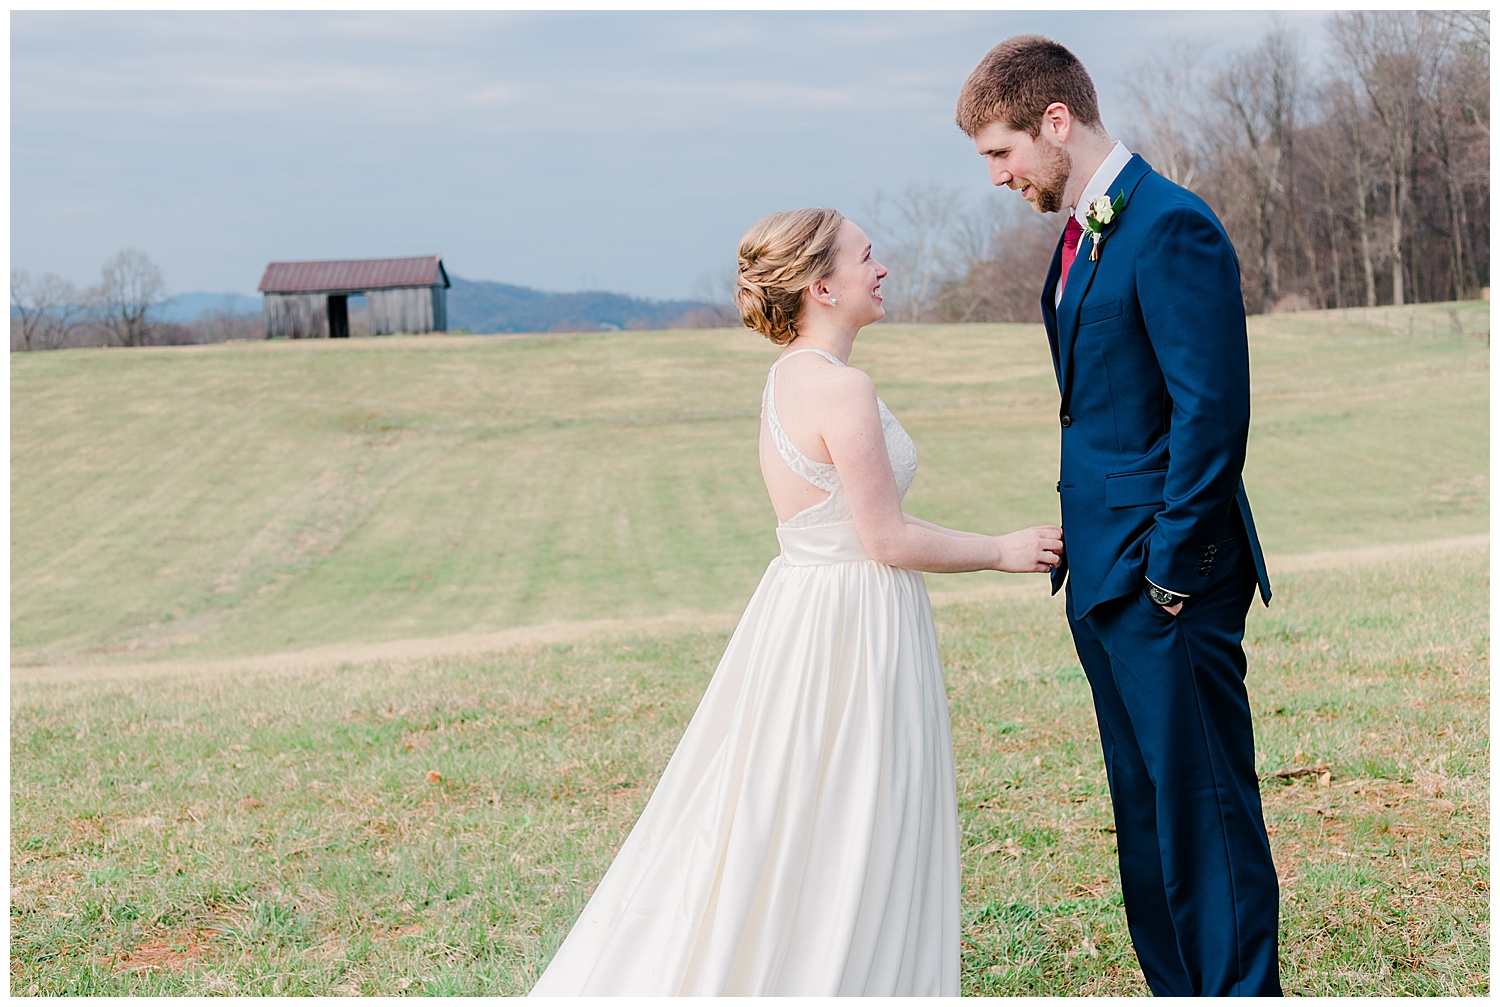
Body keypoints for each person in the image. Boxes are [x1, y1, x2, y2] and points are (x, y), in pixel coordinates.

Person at [530, 208, 1064, 996]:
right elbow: (884, 537)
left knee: (793, 808)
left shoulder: (786, 378)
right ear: (822, 285)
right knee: (856, 813)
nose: (881, 270)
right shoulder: (843, 389)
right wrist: (999, 550)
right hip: (855, 624)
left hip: (802, 612)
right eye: (868, 257)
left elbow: (848, 525)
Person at [955, 35, 1281, 997]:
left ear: (1056, 122)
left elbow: (1210, 412)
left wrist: (1172, 572)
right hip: (1100, 583)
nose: (999, 177)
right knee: (1144, 819)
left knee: (1204, 815)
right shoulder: (1078, 236)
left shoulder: (1173, 226)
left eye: (1001, 153)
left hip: (1165, 582)